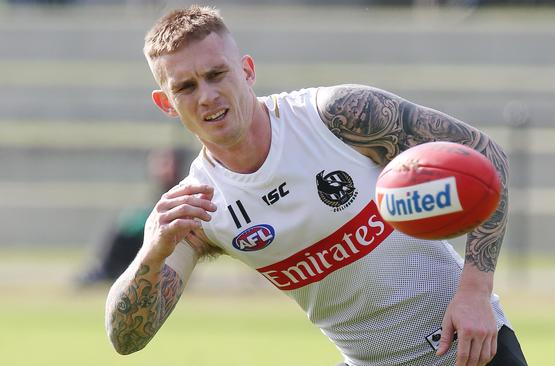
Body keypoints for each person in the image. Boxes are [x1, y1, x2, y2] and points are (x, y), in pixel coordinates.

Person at [105, 6, 527, 366]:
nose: (208, 96)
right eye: (185, 87)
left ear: (248, 71)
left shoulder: (336, 116)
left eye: (217, 74)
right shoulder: (196, 207)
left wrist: (475, 292)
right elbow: (125, 339)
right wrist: (152, 253)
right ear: (166, 103)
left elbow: (485, 155)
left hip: (471, 350)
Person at [77, 148, 185, 286]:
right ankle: (107, 269)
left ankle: (108, 270)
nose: (160, 169)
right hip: (157, 233)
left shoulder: (180, 188)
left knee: (127, 229)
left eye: (165, 164)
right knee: (124, 226)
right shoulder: (161, 188)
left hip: (168, 238)